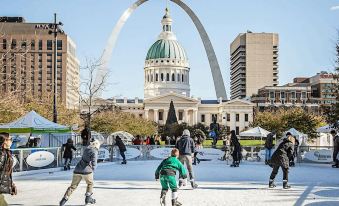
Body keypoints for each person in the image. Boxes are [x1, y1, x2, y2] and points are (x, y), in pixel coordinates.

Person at [59, 139, 100, 206]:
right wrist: (93, 169)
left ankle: (64, 199)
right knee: (90, 183)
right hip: (87, 171)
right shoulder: (94, 151)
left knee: (73, 186)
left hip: (77, 169)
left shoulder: (87, 149)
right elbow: (94, 162)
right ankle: (88, 197)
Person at [0, 133, 17, 206]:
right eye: (10, 139)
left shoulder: (6, 152)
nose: (11, 141)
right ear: (5, 141)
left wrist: (11, 184)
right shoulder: (1, 154)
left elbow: (5, 172)